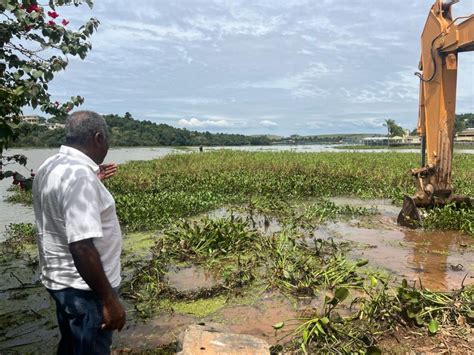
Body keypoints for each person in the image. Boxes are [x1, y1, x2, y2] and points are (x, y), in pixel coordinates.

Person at [32, 111, 125, 355]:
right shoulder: (80, 177)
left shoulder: (50, 165)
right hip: (86, 292)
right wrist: (109, 300)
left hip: (63, 284)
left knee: (73, 346)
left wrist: (95, 179)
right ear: (98, 138)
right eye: (107, 140)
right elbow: (81, 246)